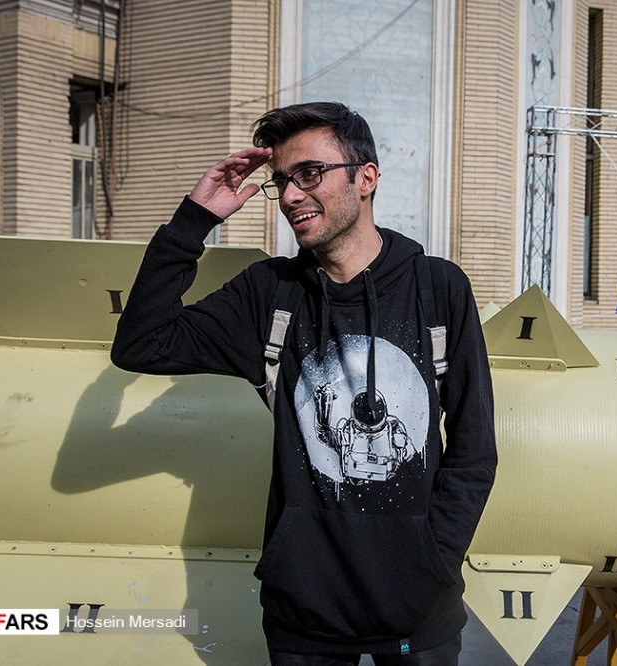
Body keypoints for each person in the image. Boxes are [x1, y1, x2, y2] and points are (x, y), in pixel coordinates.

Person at [111, 101, 497, 665]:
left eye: (310, 175)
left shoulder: (438, 289)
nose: (291, 196)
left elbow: (473, 448)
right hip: (305, 618)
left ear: (366, 178)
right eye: (282, 182)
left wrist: (432, 558)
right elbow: (142, 343)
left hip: (419, 612)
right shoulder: (269, 294)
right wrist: (196, 218)